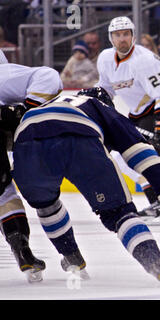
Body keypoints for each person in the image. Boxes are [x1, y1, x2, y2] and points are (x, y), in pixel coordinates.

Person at [11, 89, 160, 285]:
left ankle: (71, 256)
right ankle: (159, 266)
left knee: (46, 204)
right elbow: (138, 151)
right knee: (119, 214)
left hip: (25, 142)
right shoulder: (97, 105)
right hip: (79, 136)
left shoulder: (46, 104)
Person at [95, 16, 160, 224]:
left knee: (142, 158)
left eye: (126, 34)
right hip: (140, 114)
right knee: (121, 159)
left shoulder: (145, 60)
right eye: (118, 35)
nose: (122, 39)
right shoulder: (105, 59)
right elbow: (106, 89)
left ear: (133, 36)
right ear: (111, 38)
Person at [0, 63, 63, 282]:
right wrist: (27, 112)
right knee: (5, 195)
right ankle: (22, 251)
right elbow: (49, 76)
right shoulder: (5, 75)